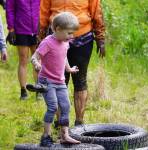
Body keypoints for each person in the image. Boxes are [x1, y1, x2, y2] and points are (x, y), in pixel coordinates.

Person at [39, 0, 105, 126]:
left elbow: (97, 12)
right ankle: (60, 122)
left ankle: (79, 122)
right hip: (56, 39)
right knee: (56, 80)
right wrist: (41, 38)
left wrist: (100, 38)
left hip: (83, 37)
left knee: (80, 80)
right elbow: (43, 13)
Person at [31, 12, 81, 147]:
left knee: (66, 106)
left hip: (60, 81)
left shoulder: (65, 42)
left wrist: (68, 69)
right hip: (47, 81)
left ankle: (65, 135)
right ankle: (45, 136)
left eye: (72, 33)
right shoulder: (47, 42)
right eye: (69, 33)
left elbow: (63, 57)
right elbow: (34, 57)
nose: (71, 37)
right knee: (53, 107)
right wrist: (36, 64)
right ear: (58, 29)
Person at [6, 0, 40, 100]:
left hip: (37, 29)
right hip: (21, 29)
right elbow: (10, 9)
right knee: (23, 59)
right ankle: (23, 91)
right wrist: (11, 28)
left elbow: (44, 7)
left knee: (37, 60)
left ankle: (39, 89)